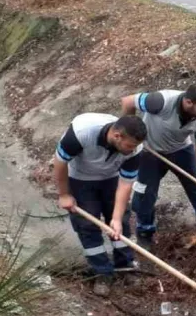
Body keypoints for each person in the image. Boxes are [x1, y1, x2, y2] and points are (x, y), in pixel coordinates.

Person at [54, 113, 147, 297]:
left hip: (111, 178)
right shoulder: (82, 132)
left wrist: (117, 218)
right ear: (117, 136)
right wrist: (64, 194)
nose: (132, 150)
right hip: (79, 178)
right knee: (87, 225)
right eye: (129, 146)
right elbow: (60, 162)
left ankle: (125, 265)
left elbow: (126, 183)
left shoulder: (135, 149)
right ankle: (102, 272)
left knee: (121, 224)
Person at [120, 81, 196, 249]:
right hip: (150, 151)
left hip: (181, 150)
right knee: (144, 194)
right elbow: (127, 101)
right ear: (188, 102)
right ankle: (145, 232)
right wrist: (130, 135)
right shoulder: (160, 101)